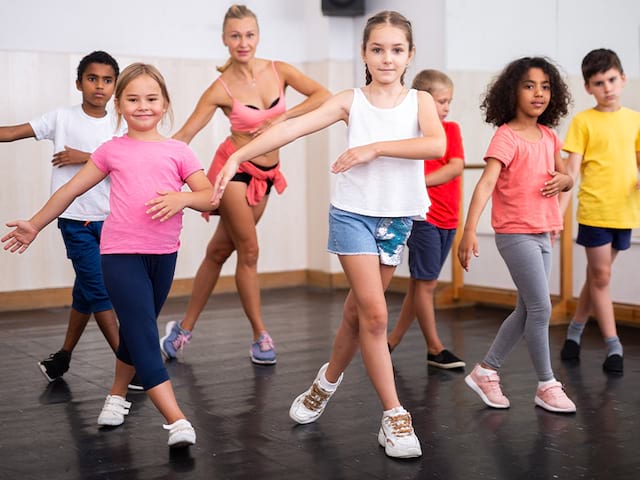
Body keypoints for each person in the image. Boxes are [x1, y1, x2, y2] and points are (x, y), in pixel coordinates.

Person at [212, 10, 445, 459]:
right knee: (376, 316)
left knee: (357, 314)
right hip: (353, 216)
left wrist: (373, 148)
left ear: (410, 55)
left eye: (397, 50)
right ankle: (395, 417)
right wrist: (233, 160)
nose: (387, 58)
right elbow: (289, 128)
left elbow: (436, 146)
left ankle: (326, 381)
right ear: (364, 53)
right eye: (377, 49)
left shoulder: (421, 102)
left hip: (397, 220)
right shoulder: (349, 100)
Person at [2, 63, 214, 447]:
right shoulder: (111, 150)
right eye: (133, 99)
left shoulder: (178, 151)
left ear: (165, 105)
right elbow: (70, 191)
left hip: (164, 255)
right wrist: (35, 223)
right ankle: (177, 420)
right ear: (119, 105)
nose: (143, 106)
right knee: (144, 335)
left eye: (151, 99)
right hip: (119, 254)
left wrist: (183, 197)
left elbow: (208, 195)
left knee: (135, 332)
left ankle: (116, 397)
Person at [159, 4, 331, 365]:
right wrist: (146, 156)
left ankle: (182, 330)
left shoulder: (278, 70)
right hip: (232, 172)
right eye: (235, 35)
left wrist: (282, 118)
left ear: (258, 36)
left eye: (249, 34)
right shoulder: (220, 88)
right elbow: (186, 133)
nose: (243, 42)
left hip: (266, 176)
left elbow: (322, 96)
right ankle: (260, 334)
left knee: (220, 251)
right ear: (224, 39)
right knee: (249, 251)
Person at [0, 51, 139, 386]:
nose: (99, 86)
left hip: (112, 221)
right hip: (75, 222)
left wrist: (86, 157)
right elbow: (9, 133)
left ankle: (61, 358)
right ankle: (131, 367)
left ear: (115, 86)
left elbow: (131, 163)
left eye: (107, 80)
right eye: (92, 79)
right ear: (79, 83)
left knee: (86, 293)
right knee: (100, 292)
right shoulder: (61, 118)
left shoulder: (120, 123)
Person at [457, 57, 577, 413]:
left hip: (544, 232)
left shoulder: (549, 136)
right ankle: (546, 384)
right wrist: (469, 231)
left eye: (545, 86)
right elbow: (486, 183)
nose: (538, 93)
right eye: (529, 86)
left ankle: (487, 370)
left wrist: (566, 180)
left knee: (527, 309)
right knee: (541, 306)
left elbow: (565, 175)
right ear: (512, 92)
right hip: (515, 233)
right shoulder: (506, 137)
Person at [558, 48, 640, 375]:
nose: (607, 87)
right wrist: (557, 210)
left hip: (625, 212)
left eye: (611, 80)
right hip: (594, 211)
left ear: (622, 78)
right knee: (602, 278)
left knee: (597, 276)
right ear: (588, 87)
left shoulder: (635, 119)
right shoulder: (583, 122)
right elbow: (571, 171)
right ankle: (613, 346)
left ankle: (574, 333)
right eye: (598, 82)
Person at [387, 69, 465, 369]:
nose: (446, 108)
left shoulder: (452, 129)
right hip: (423, 218)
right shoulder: (411, 134)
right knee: (426, 285)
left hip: (449, 218)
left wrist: (420, 182)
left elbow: (455, 167)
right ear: (423, 101)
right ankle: (435, 348)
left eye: (449, 102)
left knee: (419, 285)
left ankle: (391, 341)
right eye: (442, 102)